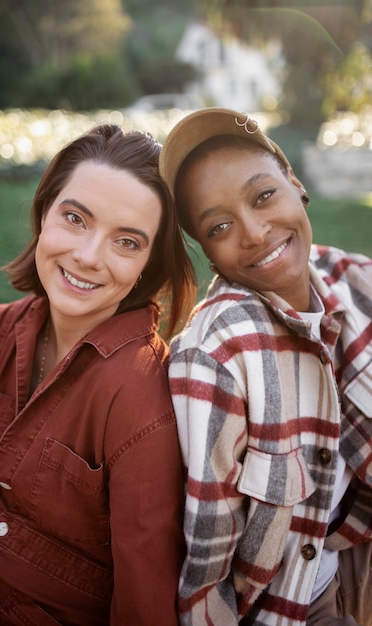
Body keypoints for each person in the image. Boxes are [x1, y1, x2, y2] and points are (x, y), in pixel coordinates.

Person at [0, 123, 196, 625]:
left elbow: (144, 605)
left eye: (127, 242)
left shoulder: (137, 396)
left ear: (148, 264)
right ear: (44, 211)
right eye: (75, 218)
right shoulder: (21, 326)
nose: (88, 256)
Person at [158, 107, 372, 625]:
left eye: (263, 196)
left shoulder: (356, 277)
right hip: (298, 601)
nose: (254, 232)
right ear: (207, 251)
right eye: (220, 225)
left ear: (294, 183)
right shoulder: (215, 358)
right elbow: (206, 570)